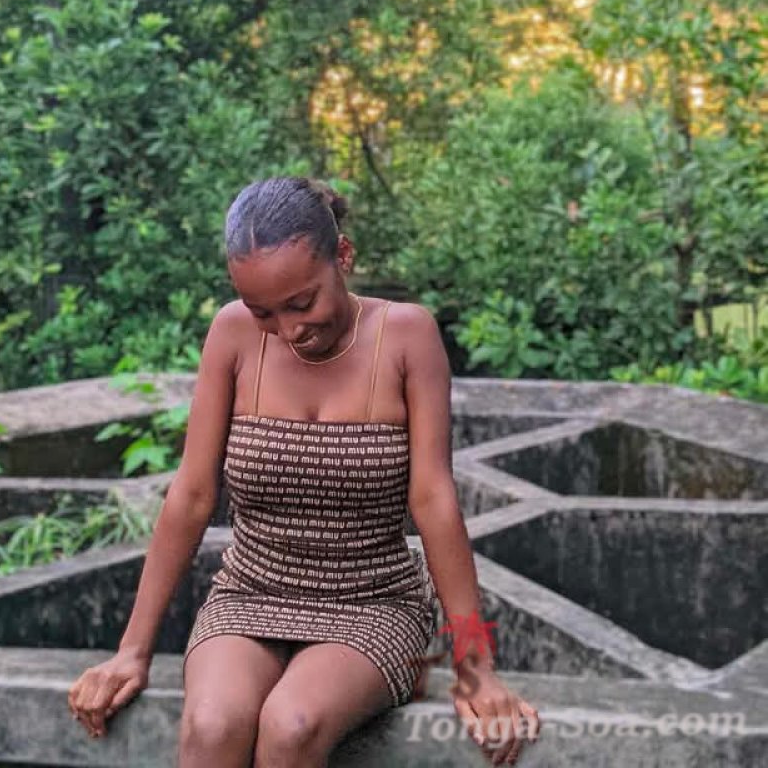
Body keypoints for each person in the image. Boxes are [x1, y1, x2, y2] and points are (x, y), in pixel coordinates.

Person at [68, 176, 541, 766]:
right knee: (213, 725)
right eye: (263, 312)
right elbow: (191, 494)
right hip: (249, 593)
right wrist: (132, 651)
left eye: (302, 303)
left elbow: (434, 501)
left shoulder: (407, 335)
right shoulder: (231, 334)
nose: (289, 330)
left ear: (343, 256)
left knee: (292, 725)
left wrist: (475, 666)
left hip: (372, 602)